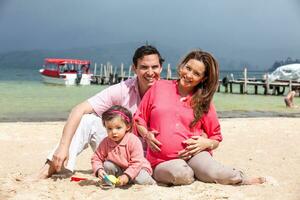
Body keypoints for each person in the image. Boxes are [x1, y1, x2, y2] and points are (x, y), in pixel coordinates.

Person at [134, 49, 265, 186]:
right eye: (188, 68)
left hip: (196, 156)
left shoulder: (204, 101)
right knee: (181, 173)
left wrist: (206, 143)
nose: (189, 75)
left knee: (219, 173)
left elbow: (216, 137)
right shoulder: (159, 87)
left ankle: (240, 178)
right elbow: (139, 119)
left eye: (196, 73)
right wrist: (147, 135)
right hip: (161, 160)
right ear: (182, 66)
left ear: (203, 78)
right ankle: (196, 173)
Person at [35, 45, 164, 179]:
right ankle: (47, 169)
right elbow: (78, 109)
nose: (150, 72)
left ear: (161, 68)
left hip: (153, 158)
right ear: (134, 68)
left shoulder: (169, 92)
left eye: (154, 67)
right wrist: (63, 147)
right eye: (144, 67)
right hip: (120, 155)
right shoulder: (123, 89)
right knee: (87, 120)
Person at [91, 105, 155, 186]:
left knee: (141, 179)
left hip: (138, 169)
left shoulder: (133, 140)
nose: (113, 132)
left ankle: (152, 183)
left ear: (127, 126)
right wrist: (98, 170)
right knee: (107, 165)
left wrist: (127, 176)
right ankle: (118, 182)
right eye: (109, 128)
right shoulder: (106, 142)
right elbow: (96, 158)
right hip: (120, 169)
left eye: (118, 128)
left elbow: (137, 163)